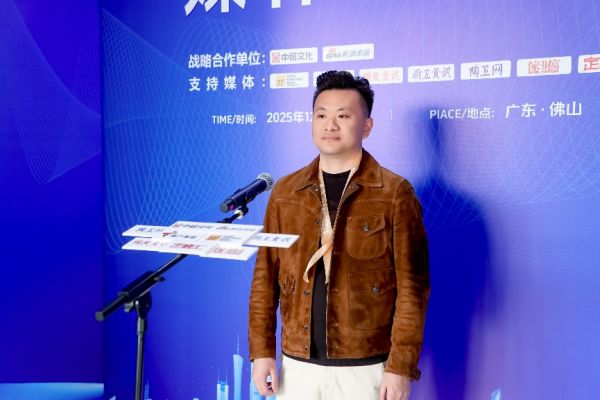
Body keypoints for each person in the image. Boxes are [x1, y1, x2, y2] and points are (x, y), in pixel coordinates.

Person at [248, 70, 430, 400]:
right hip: (297, 364)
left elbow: (412, 288)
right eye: (321, 115)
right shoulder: (286, 192)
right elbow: (264, 278)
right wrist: (261, 352)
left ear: (367, 126)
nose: (330, 125)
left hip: (366, 366)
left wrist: (400, 366)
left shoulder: (394, 192)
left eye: (343, 116)